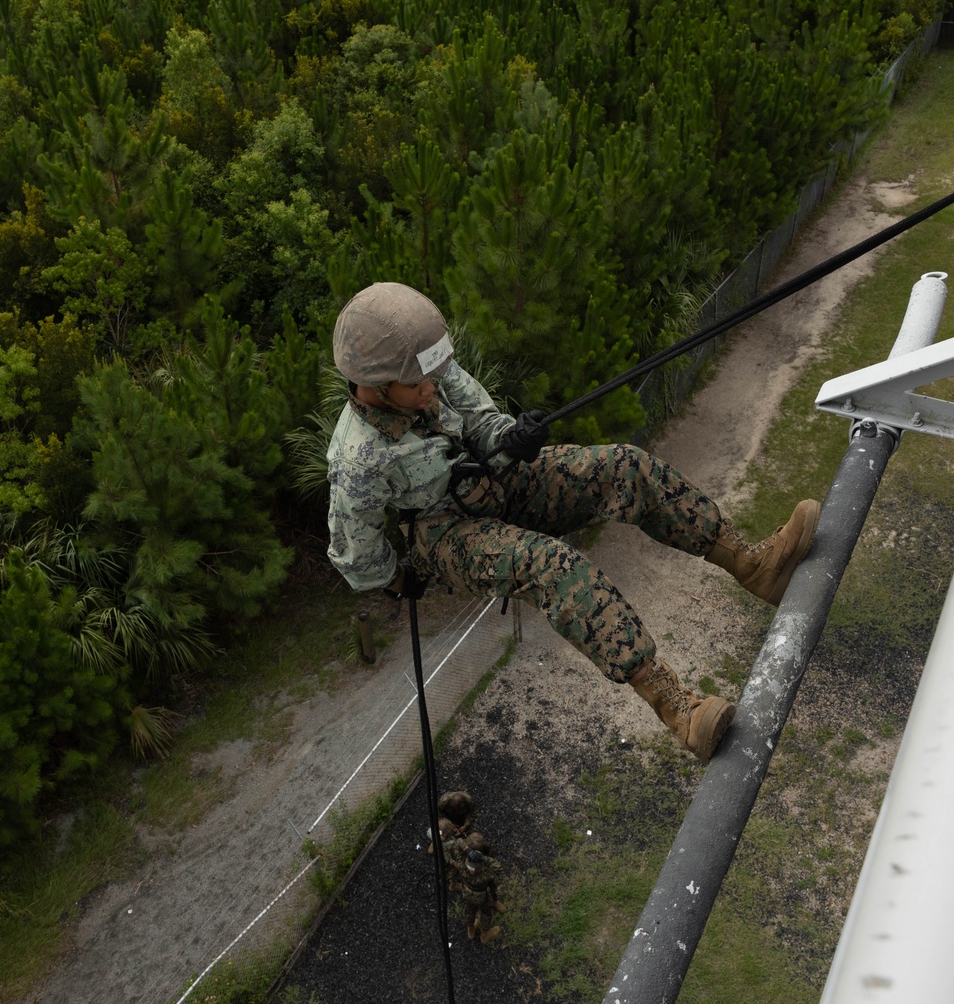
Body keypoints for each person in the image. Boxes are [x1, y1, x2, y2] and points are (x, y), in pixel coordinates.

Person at [326, 282, 821, 764]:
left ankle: (752, 566)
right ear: (376, 386)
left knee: (624, 467)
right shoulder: (358, 460)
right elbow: (355, 546)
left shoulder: (425, 373)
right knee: (553, 566)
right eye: (417, 385)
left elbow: (479, 417)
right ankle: (679, 711)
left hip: (491, 476)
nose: (432, 387)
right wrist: (398, 580)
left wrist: (513, 437)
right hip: (442, 530)